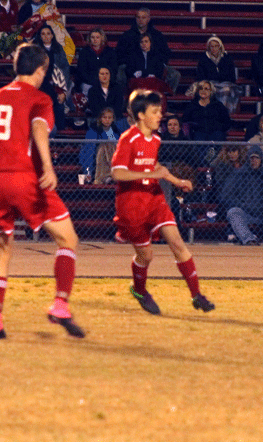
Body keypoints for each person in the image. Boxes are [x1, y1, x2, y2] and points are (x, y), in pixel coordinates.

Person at [0, 42, 85, 339]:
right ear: (41, 69)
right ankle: (60, 304)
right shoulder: (39, 98)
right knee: (67, 238)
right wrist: (47, 166)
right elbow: (40, 130)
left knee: (3, 250)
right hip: (25, 179)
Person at [111, 89, 215, 315]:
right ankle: (139, 290)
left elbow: (155, 168)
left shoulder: (156, 138)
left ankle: (196, 295)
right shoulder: (127, 139)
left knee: (177, 242)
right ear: (140, 115)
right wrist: (148, 175)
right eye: (155, 111)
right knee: (146, 256)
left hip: (155, 199)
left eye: (160, 111)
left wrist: (178, 181)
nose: (160, 115)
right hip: (132, 204)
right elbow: (118, 173)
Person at [116, 8, 180, 93]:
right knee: (119, 74)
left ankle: (167, 96)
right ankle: (123, 97)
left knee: (175, 75)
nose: (141, 20)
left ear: (148, 19)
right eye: (138, 17)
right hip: (131, 65)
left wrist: (156, 65)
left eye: (143, 17)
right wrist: (132, 64)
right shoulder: (127, 35)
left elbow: (165, 53)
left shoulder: (157, 35)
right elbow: (119, 54)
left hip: (154, 64)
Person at [34, 24, 72, 133]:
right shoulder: (35, 49)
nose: (46, 36)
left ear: (52, 36)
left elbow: (65, 69)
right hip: (41, 83)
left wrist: (62, 90)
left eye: (48, 34)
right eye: (43, 34)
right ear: (40, 36)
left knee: (59, 107)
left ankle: (60, 135)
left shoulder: (59, 49)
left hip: (57, 84)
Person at [182, 80, 232, 158]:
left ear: (211, 91)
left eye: (206, 89)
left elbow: (227, 122)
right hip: (199, 132)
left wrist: (218, 127)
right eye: (201, 88)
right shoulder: (192, 106)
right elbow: (185, 120)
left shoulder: (218, 105)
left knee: (217, 137)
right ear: (198, 91)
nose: (203, 91)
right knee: (199, 140)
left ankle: (209, 157)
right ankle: (207, 160)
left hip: (215, 133)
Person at [195, 35, 241, 113]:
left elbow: (231, 76)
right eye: (212, 46)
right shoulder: (203, 59)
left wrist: (219, 77)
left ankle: (223, 112)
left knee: (226, 90)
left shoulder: (227, 58)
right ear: (208, 47)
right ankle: (211, 112)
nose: (214, 48)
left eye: (216, 46)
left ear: (220, 46)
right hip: (210, 83)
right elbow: (201, 76)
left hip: (226, 83)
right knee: (210, 90)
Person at [79, 107, 123, 184]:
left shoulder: (116, 131)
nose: (107, 120)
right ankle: (103, 177)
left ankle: (111, 176)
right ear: (100, 118)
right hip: (98, 156)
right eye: (104, 117)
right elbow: (89, 150)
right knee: (104, 146)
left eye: (109, 118)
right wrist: (87, 171)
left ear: (113, 119)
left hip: (113, 156)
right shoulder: (94, 130)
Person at [76, 28, 118, 97]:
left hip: (106, 82)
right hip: (88, 83)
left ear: (102, 38)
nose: (95, 39)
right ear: (89, 39)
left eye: (97, 37)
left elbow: (113, 69)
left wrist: (104, 81)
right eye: (93, 37)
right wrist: (94, 81)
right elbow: (82, 71)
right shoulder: (84, 52)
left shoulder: (110, 52)